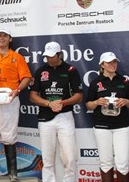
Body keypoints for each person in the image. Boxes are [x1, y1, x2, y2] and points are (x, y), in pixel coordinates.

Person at [0, 27, 32, 182]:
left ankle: (13, 173)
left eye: (4, 36)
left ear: (10, 39)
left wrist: (17, 90)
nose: (1, 38)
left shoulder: (16, 57)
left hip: (9, 97)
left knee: (9, 135)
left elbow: (26, 78)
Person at [29, 41, 83, 182]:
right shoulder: (41, 71)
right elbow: (33, 95)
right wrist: (49, 103)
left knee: (70, 157)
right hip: (45, 118)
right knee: (47, 159)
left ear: (60, 55)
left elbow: (79, 96)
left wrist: (63, 102)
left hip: (65, 116)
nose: (49, 59)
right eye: (47, 56)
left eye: (52, 56)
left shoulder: (71, 70)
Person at [86, 51, 129, 181]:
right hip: (102, 126)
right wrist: (97, 102)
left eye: (114, 62)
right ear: (102, 65)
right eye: (109, 62)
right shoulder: (95, 83)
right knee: (105, 162)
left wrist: (126, 101)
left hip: (121, 126)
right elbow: (88, 105)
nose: (112, 65)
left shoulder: (124, 81)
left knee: (123, 163)